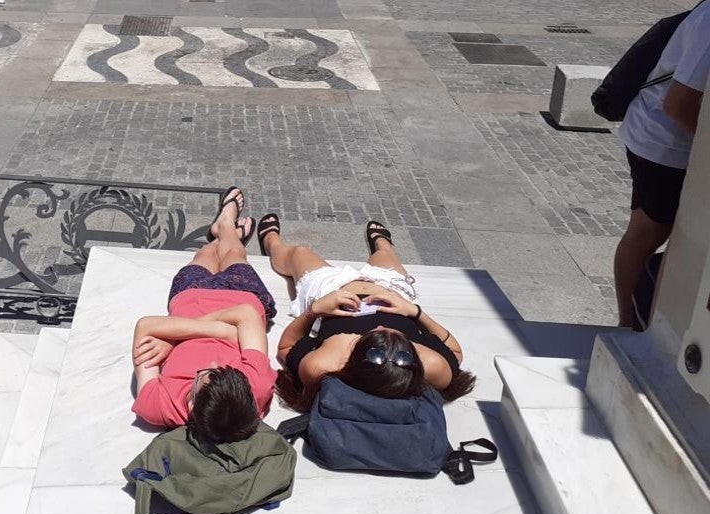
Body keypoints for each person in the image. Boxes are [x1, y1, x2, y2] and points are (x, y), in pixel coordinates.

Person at [259, 216, 477, 412]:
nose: (380, 326)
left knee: (300, 253)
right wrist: (414, 312)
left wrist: (315, 310)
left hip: (330, 290)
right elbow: (454, 351)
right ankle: (382, 243)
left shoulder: (326, 365)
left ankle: (271, 241)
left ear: (353, 360)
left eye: (371, 336)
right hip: (390, 288)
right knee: (384, 255)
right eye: (398, 336)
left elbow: (286, 347)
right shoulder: (430, 366)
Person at [131, 188, 275, 442]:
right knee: (234, 254)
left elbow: (144, 325)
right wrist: (175, 336)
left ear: (191, 405)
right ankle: (227, 226)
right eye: (223, 370)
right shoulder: (255, 391)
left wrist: (177, 338)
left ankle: (221, 232)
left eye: (203, 376)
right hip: (241, 295)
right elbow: (247, 313)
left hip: (190, 297)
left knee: (204, 255)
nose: (210, 364)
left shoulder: (159, 406)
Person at [615, 0, 710, 330]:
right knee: (647, 233)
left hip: (672, 141)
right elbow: (678, 104)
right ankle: (630, 325)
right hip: (663, 142)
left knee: (675, 236)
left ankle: (649, 319)